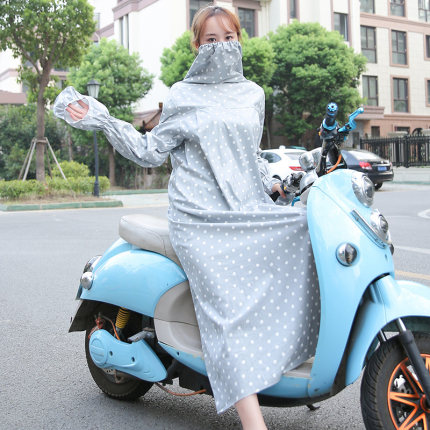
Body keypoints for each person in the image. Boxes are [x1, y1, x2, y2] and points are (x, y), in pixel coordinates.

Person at [54, 5, 320, 429]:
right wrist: (102, 119)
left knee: (307, 236)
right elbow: (149, 152)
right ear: (197, 46)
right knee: (226, 310)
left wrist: (276, 183)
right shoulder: (182, 94)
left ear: (240, 40)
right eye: (211, 41)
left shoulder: (253, 93)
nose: (221, 47)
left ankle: (284, 363)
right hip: (197, 217)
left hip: (242, 208)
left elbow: (248, 156)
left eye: (229, 38)